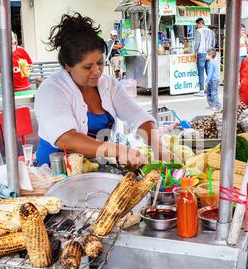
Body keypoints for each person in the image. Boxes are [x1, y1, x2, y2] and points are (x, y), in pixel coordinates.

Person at [34, 13, 171, 167]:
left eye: (99, 63)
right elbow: (67, 139)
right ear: (68, 66)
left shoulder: (108, 85)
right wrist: (119, 150)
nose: (96, 71)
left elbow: (137, 116)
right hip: (54, 172)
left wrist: (158, 147)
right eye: (87, 67)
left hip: (93, 168)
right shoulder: (53, 90)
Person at [193, 18, 215, 97]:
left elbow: (197, 43)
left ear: (200, 24)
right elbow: (213, 44)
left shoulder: (198, 31)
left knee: (201, 72)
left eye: (197, 24)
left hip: (201, 53)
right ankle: (211, 89)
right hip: (209, 53)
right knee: (209, 71)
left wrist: (195, 51)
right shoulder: (211, 32)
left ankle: (201, 91)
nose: (196, 26)